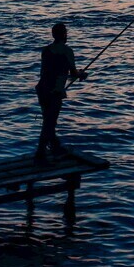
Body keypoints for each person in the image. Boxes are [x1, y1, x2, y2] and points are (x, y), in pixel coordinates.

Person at [34, 22, 87, 164]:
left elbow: (49, 72)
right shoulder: (67, 51)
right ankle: (41, 153)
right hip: (54, 92)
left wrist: (72, 76)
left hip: (42, 90)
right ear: (64, 34)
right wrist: (81, 74)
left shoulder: (45, 51)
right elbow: (73, 72)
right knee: (49, 124)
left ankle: (55, 148)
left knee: (48, 121)